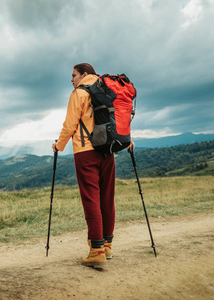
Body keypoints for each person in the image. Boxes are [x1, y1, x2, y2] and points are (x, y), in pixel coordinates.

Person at [52, 63, 133, 269]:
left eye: (74, 75)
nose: (71, 79)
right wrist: (127, 139)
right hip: (108, 150)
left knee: (91, 199)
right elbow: (118, 118)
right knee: (107, 197)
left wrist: (58, 145)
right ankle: (107, 245)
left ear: (84, 74)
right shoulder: (106, 89)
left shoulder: (78, 94)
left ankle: (96, 251)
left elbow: (70, 124)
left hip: (86, 152)